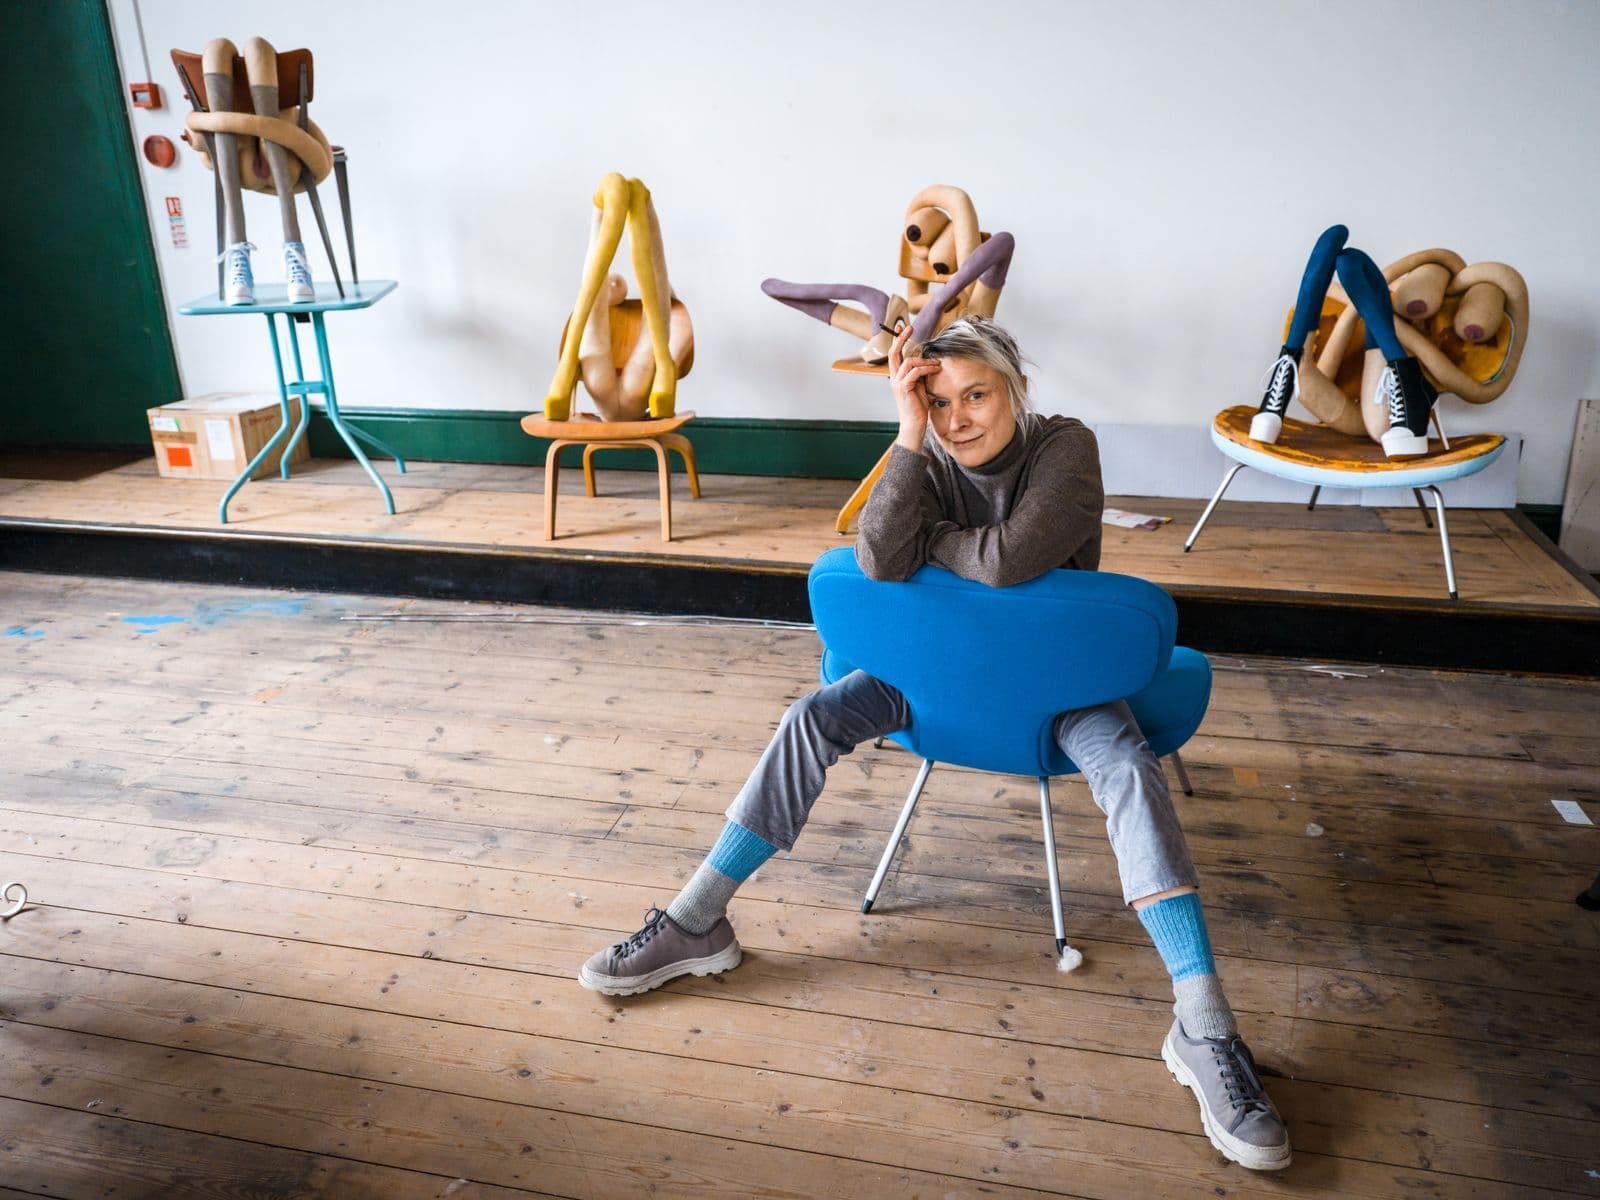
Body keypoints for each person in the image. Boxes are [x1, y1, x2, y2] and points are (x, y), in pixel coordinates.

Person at [579, 316, 1292, 1171]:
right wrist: (906, 438)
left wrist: (935, 554)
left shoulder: (1067, 447)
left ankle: (1204, 1027)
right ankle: (696, 921)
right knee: (814, 713)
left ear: (1014, 388)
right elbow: (878, 558)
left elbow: (1008, 559)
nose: (958, 419)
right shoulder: (925, 456)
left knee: (1131, 771)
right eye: (936, 401)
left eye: (975, 395)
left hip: (1056, 689)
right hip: (933, 686)